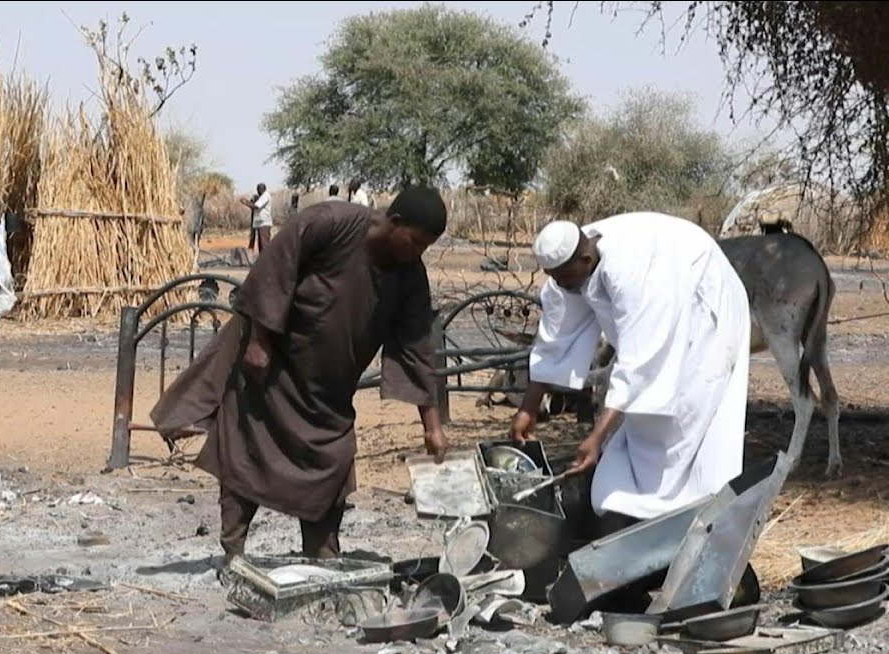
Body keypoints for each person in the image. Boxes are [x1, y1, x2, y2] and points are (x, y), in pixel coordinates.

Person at [151, 187, 450, 563]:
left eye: (426, 247)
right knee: (246, 459)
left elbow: (416, 347)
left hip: (329, 397)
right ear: (395, 221)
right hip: (272, 372)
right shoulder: (332, 223)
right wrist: (258, 340)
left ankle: (322, 554)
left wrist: (432, 426)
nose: (417, 252)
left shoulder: (410, 275)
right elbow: (274, 270)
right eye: (416, 242)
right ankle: (234, 551)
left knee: (333, 464)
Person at [511, 212, 751, 529]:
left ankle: (692, 520)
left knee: (687, 413)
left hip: (701, 298)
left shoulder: (633, 272)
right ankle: (640, 520)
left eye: (564, 279)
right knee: (645, 422)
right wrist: (528, 408)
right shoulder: (565, 271)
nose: (559, 284)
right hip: (653, 317)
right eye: (554, 278)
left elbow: (640, 361)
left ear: (586, 260)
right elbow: (553, 341)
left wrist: (597, 436)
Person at [240, 183, 272, 257]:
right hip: (260, 223)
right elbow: (255, 205)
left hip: (264, 223)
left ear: (263, 189)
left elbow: (256, 206)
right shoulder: (261, 197)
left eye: (259, 189)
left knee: (264, 244)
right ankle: (262, 259)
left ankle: (266, 259)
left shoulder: (265, 196)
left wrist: (245, 203)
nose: (257, 191)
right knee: (260, 243)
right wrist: (248, 201)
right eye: (257, 189)